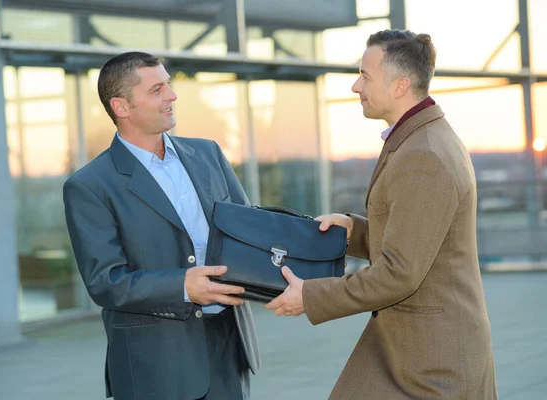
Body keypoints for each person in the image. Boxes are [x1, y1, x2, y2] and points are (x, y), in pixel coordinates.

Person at [266, 29, 498, 399]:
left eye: (365, 76)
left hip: (429, 365)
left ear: (399, 86)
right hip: (415, 352)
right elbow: (422, 238)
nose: (356, 86)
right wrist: (354, 232)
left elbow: (400, 273)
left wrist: (310, 296)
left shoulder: (424, 155)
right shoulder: (421, 138)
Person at [63, 51, 260, 400]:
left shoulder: (209, 153)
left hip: (228, 349)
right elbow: (105, 282)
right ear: (122, 107)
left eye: (168, 84)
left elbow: (247, 232)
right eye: (157, 90)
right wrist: (184, 287)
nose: (172, 95)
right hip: (155, 364)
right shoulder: (90, 185)